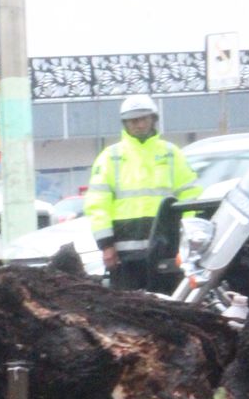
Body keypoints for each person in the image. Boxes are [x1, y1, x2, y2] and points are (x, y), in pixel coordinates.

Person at [84, 93, 200, 291]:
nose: (138, 125)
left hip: (166, 249)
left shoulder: (171, 154)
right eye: (133, 121)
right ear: (125, 124)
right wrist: (106, 245)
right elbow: (97, 205)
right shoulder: (111, 158)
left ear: (153, 119)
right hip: (125, 254)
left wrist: (187, 235)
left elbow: (190, 197)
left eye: (143, 119)